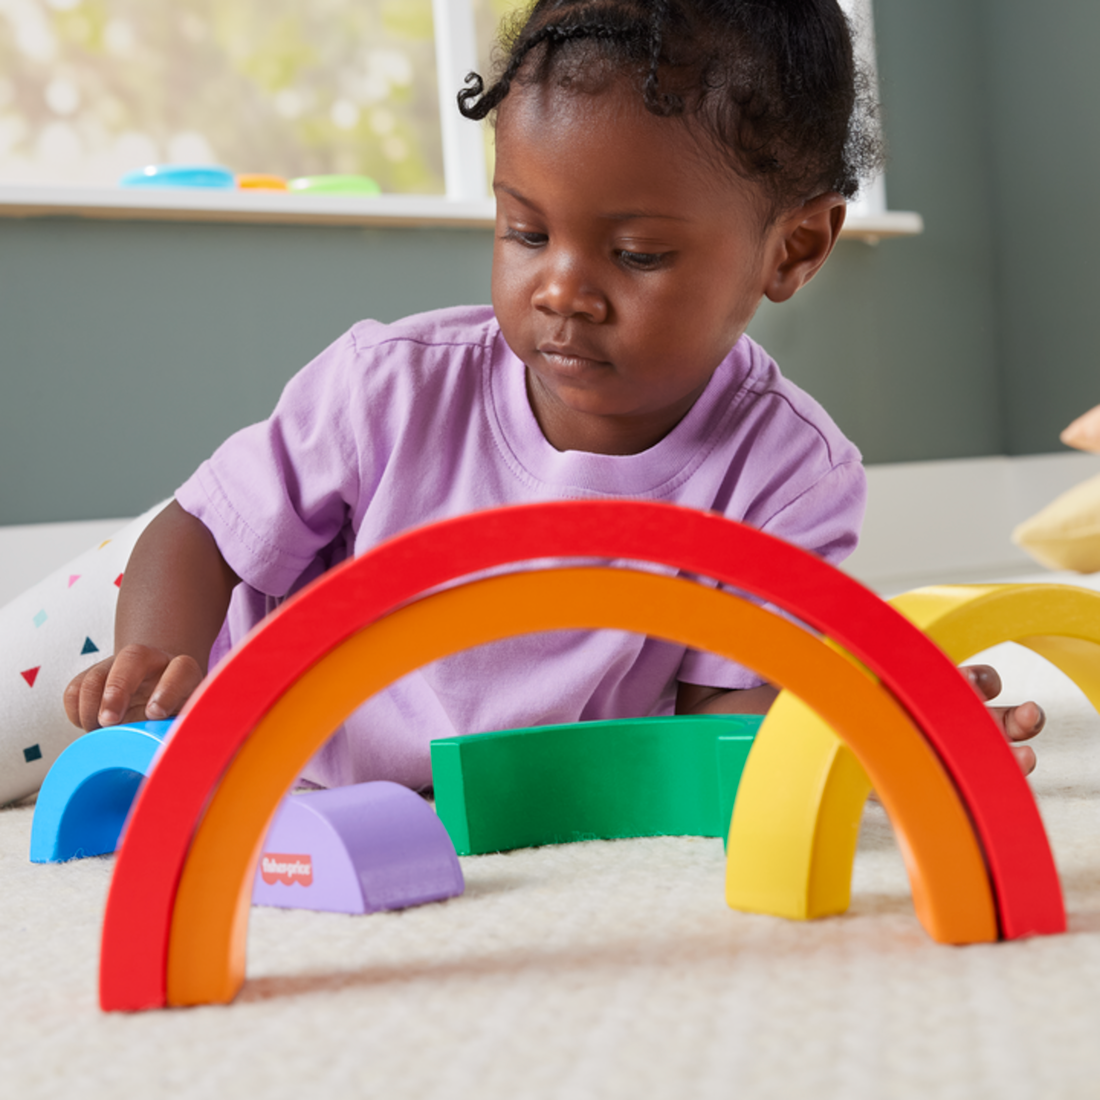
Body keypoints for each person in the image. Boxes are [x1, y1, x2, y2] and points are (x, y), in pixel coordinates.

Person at [63, 0, 1043, 789]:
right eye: (525, 233)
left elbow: (724, 722)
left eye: (636, 253)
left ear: (793, 248)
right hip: (245, 719)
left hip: (497, 804)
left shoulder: (788, 476)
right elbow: (200, 529)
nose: (562, 289)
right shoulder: (388, 385)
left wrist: (856, 724)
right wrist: (152, 659)